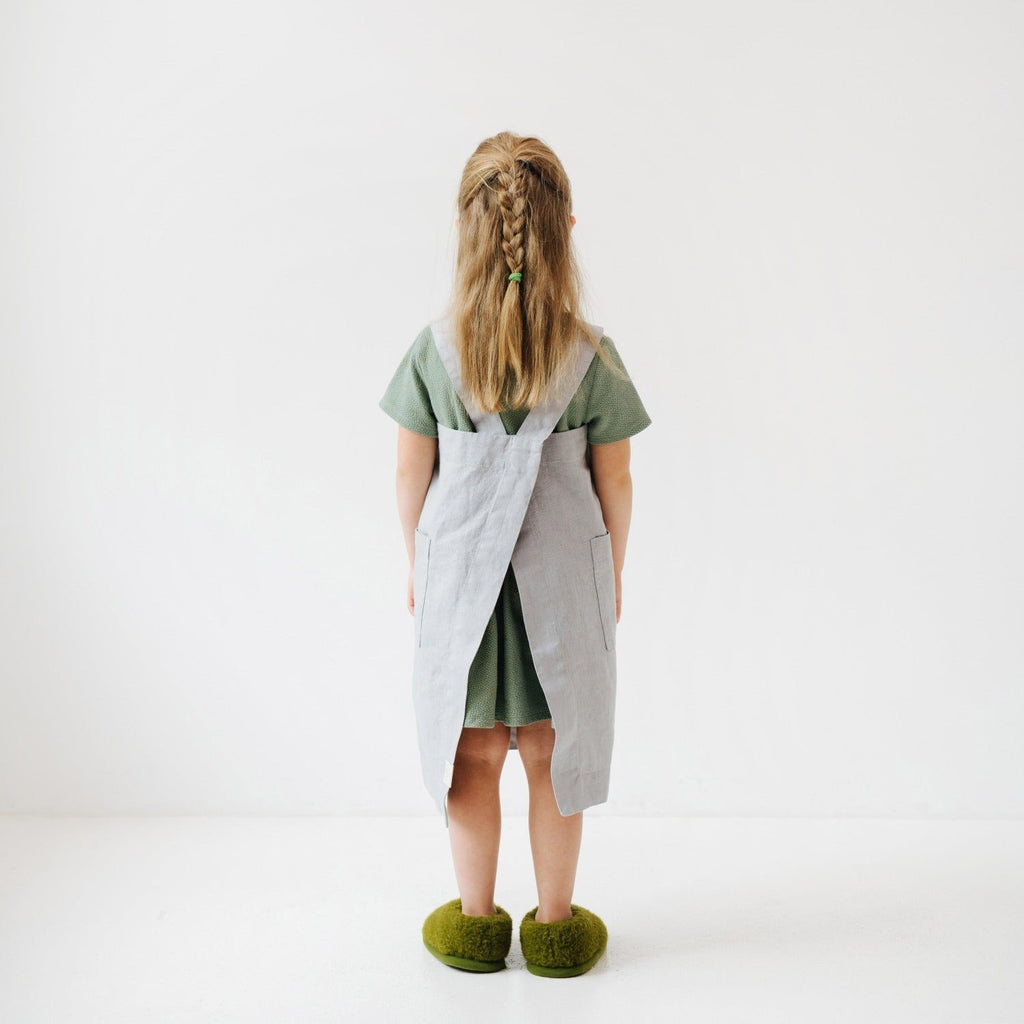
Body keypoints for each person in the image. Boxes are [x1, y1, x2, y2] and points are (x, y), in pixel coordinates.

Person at [379, 131, 652, 977]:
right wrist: (613, 575)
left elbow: (408, 472)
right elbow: (618, 481)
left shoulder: (435, 352)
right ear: (566, 230)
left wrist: (417, 567)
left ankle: (474, 920)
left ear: (466, 234)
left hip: (467, 591)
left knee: (473, 754)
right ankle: (558, 927)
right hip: (559, 591)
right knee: (549, 752)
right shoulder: (590, 357)